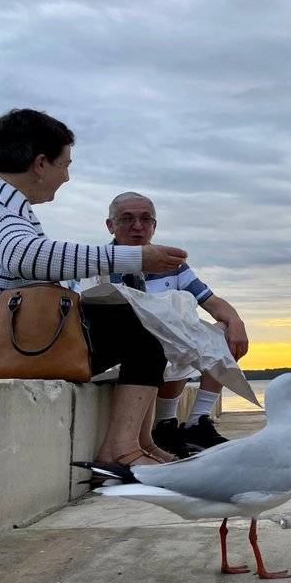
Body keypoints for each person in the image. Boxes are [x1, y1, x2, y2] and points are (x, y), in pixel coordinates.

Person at [0, 108, 187, 467]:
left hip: (12, 334)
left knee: (141, 323)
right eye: (65, 164)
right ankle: (120, 451)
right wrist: (133, 258)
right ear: (41, 164)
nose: (67, 176)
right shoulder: (3, 204)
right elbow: (23, 256)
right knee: (146, 329)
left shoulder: (7, 202)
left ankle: (135, 443)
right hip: (7, 341)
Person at [104, 191, 249, 457]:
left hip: (163, 347)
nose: (137, 226)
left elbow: (210, 301)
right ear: (110, 225)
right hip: (124, 349)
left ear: (154, 225)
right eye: (127, 219)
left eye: (145, 219)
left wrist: (235, 321)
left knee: (219, 331)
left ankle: (196, 422)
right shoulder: (99, 263)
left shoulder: (172, 265)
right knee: (161, 335)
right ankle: (164, 423)